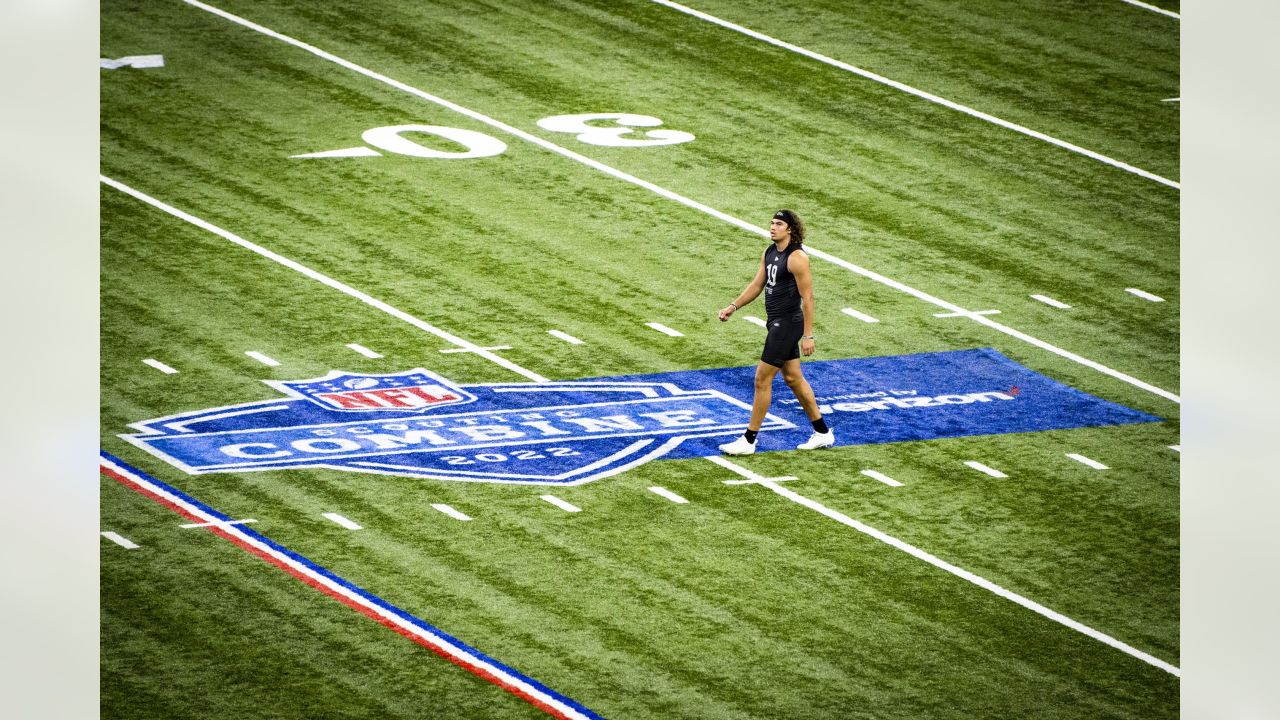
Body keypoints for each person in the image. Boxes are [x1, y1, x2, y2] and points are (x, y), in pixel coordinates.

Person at [717, 209, 834, 455]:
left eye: (778, 224)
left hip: (788, 323)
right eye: (772, 223)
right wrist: (733, 306)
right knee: (792, 378)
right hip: (775, 322)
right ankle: (822, 432)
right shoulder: (769, 252)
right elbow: (758, 284)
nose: (772, 227)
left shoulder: (797, 257)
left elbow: (808, 297)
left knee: (762, 379)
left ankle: (749, 440)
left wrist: (808, 334)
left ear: (790, 229)